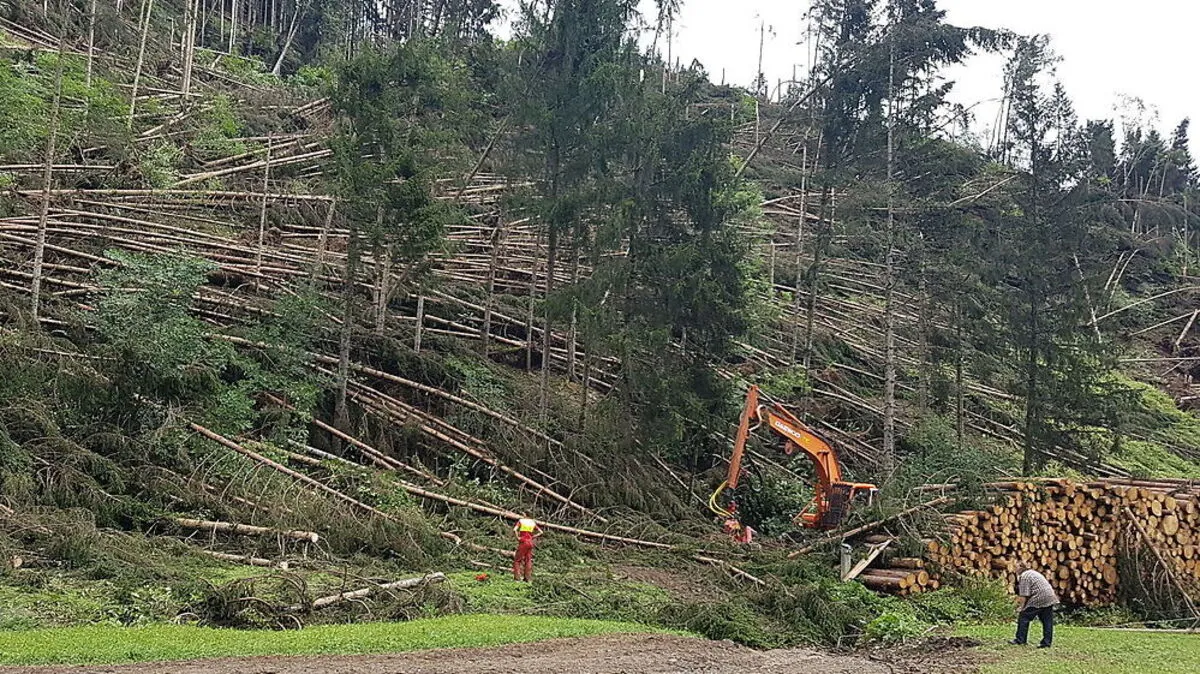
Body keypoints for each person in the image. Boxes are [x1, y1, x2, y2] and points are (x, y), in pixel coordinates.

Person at [1010, 562, 1059, 648]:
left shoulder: (1024, 576)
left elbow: (1025, 595)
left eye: (1016, 567)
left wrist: (1021, 608)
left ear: (1021, 568)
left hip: (1039, 597)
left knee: (1024, 617)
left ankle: (1020, 640)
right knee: (1047, 620)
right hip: (1050, 596)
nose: (1014, 569)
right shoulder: (1033, 573)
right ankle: (1046, 643)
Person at [512, 515, 543, 582]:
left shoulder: (521, 521)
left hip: (523, 542)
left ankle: (517, 578)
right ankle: (527, 578)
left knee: (517, 560)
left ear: (525, 515)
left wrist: (518, 537)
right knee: (528, 560)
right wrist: (533, 536)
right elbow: (541, 532)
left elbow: (514, 530)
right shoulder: (532, 522)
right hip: (530, 542)